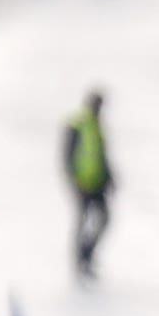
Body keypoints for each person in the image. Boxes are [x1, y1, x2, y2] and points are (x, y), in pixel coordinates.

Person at [61, 93, 112, 280]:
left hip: (98, 182)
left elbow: (102, 155)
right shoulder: (78, 124)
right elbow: (67, 155)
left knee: (103, 219)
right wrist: (73, 179)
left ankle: (87, 253)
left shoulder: (97, 125)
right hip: (82, 183)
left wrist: (109, 177)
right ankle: (80, 260)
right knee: (82, 221)